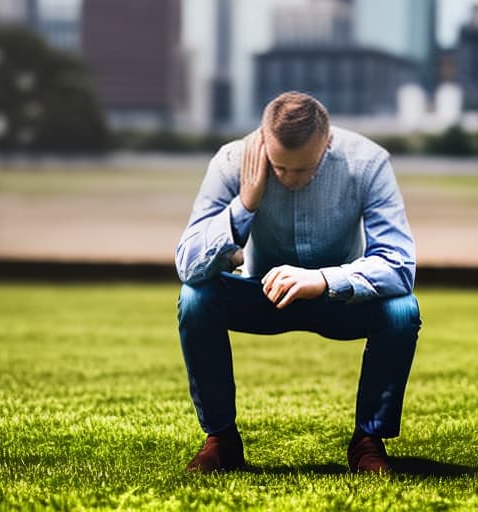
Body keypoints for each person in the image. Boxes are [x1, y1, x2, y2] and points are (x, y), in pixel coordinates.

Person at [176, 91, 421, 474]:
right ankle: (221, 439)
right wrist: (245, 205)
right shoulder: (232, 160)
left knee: (403, 309)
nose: (289, 179)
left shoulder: (368, 163)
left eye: (304, 169)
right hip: (262, 294)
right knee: (194, 298)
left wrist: (322, 280)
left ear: (328, 143)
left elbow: (400, 266)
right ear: (263, 140)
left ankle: (368, 441)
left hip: (339, 297)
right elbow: (187, 264)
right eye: (279, 168)